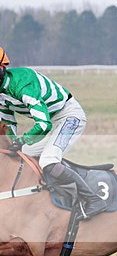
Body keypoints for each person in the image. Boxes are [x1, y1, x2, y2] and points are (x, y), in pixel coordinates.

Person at [0, 46, 108, 220]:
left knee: (48, 161)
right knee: (23, 155)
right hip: (52, 122)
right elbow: (8, 123)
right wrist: (13, 142)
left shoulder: (22, 84)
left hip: (69, 116)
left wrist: (23, 140)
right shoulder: (1, 93)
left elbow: (43, 124)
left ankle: (93, 199)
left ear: (2, 67)